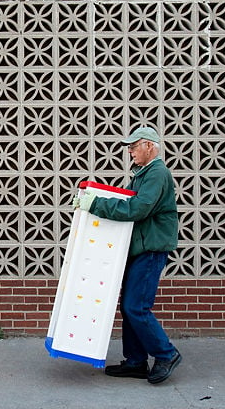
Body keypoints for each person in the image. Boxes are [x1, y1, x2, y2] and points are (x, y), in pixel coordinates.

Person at [72, 126, 181, 384]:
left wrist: (96, 204)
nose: (130, 151)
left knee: (136, 307)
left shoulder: (156, 173)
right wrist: (94, 200)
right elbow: (127, 201)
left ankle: (167, 354)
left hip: (151, 249)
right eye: (129, 147)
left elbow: (137, 208)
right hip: (140, 248)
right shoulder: (142, 174)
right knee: (129, 306)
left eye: (134, 146)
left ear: (150, 147)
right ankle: (135, 361)